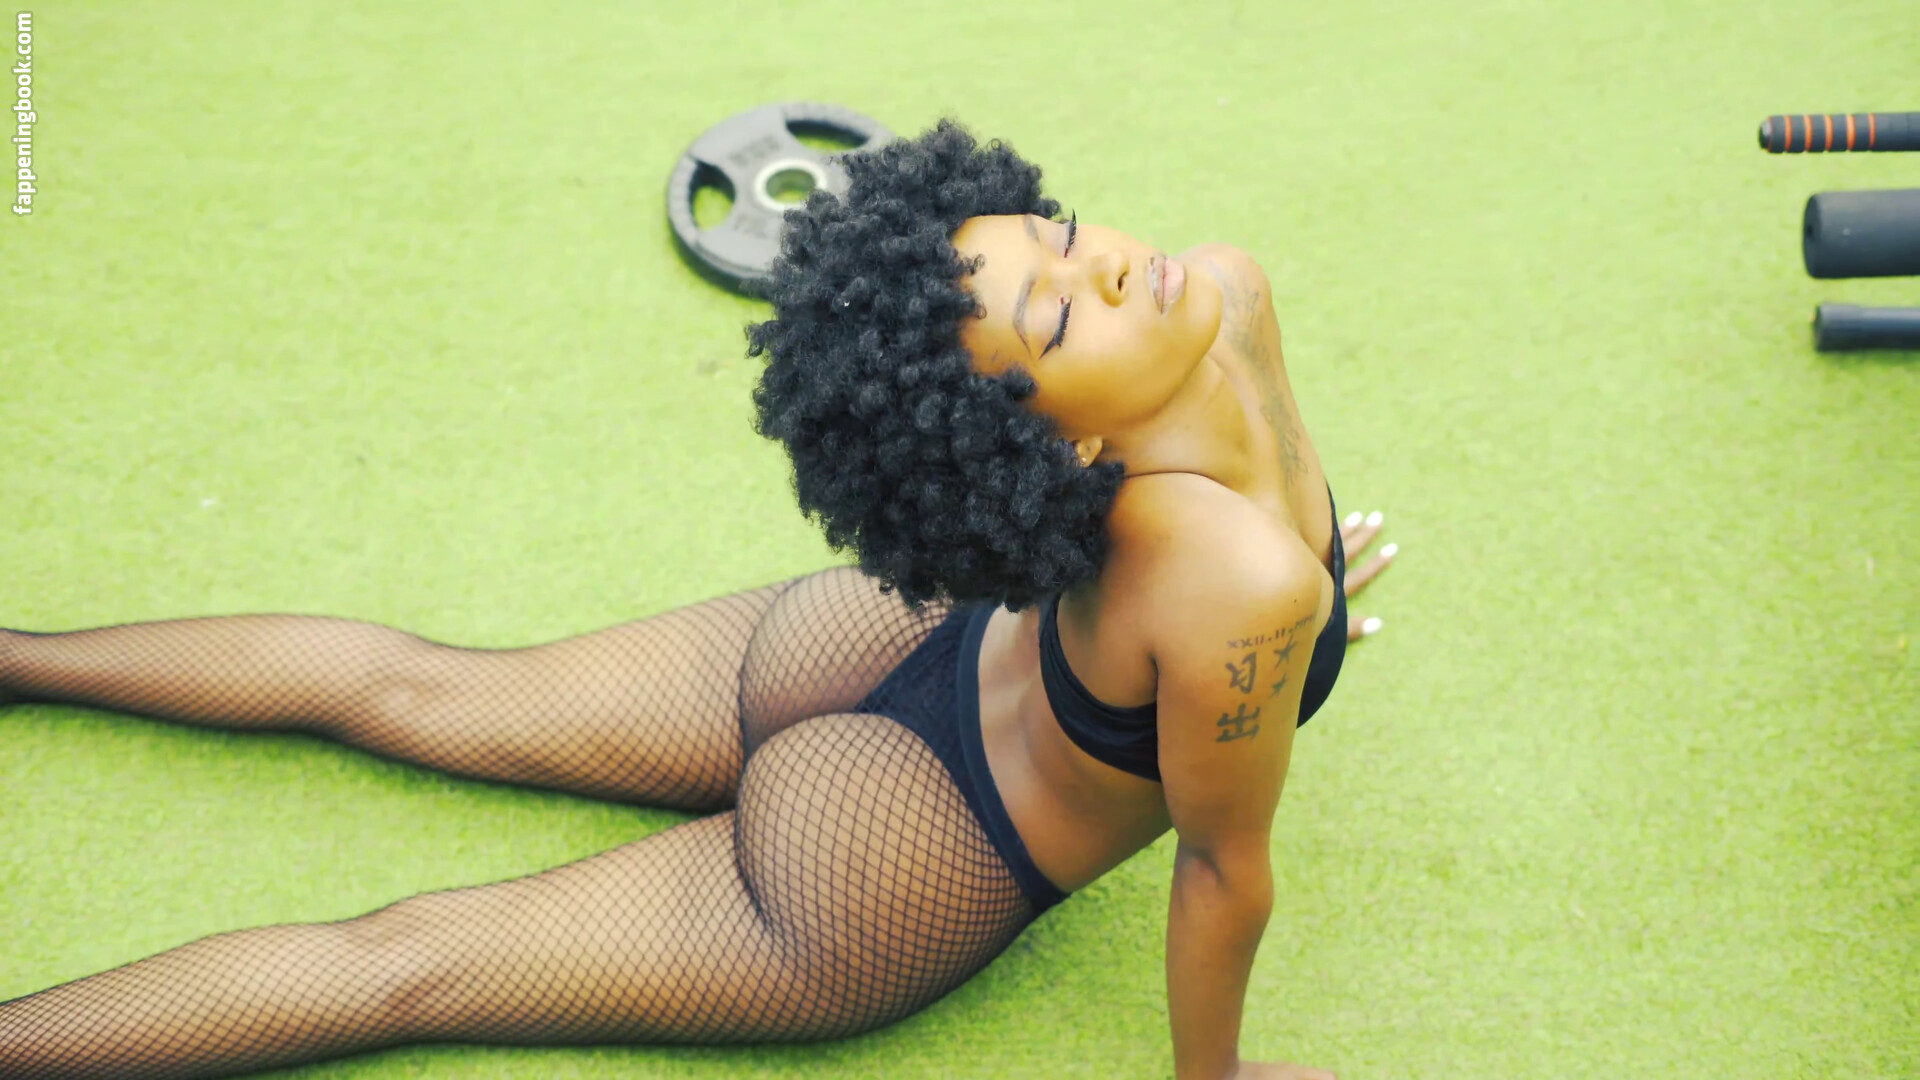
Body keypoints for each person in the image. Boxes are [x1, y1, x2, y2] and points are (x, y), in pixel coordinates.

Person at [0, 117, 1397, 1080]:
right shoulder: (1235, 579)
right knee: (410, 964)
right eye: (1060, 308)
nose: (1109, 261)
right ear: (1048, 459)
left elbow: (1233, 553)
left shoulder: (1222, 296)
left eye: (1061, 232)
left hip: (875, 650)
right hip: (895, 860)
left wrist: (1295, 606)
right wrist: (1216, 1075)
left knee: (426, 698)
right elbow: (1219, 867)